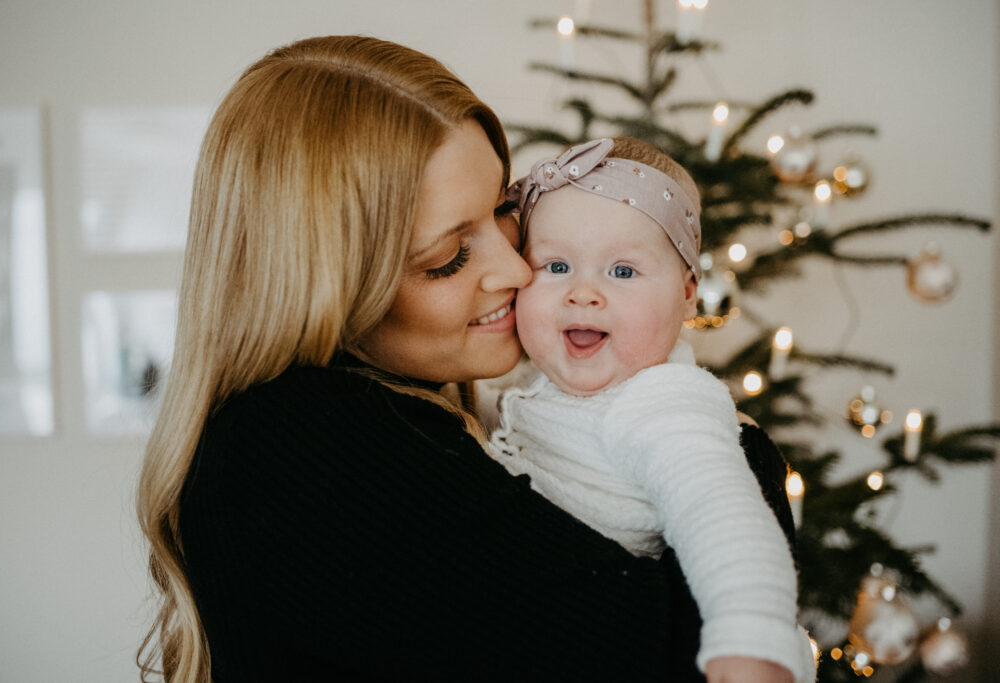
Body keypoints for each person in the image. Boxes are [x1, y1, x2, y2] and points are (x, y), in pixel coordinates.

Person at [137, 35, 799, 683]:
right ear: (328, 289)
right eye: (448, 256)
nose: (517, 268)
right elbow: (675, 659)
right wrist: (740, 452)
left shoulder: (413, 413)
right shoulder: (303, 448)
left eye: (504, 209)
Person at [489, 137, 814, 683]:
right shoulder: (533, 382)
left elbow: (721, 513)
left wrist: (751, 640)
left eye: (622, 272)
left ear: (688, 295)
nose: (583, 293)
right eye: (556, 265)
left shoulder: (664, 402)